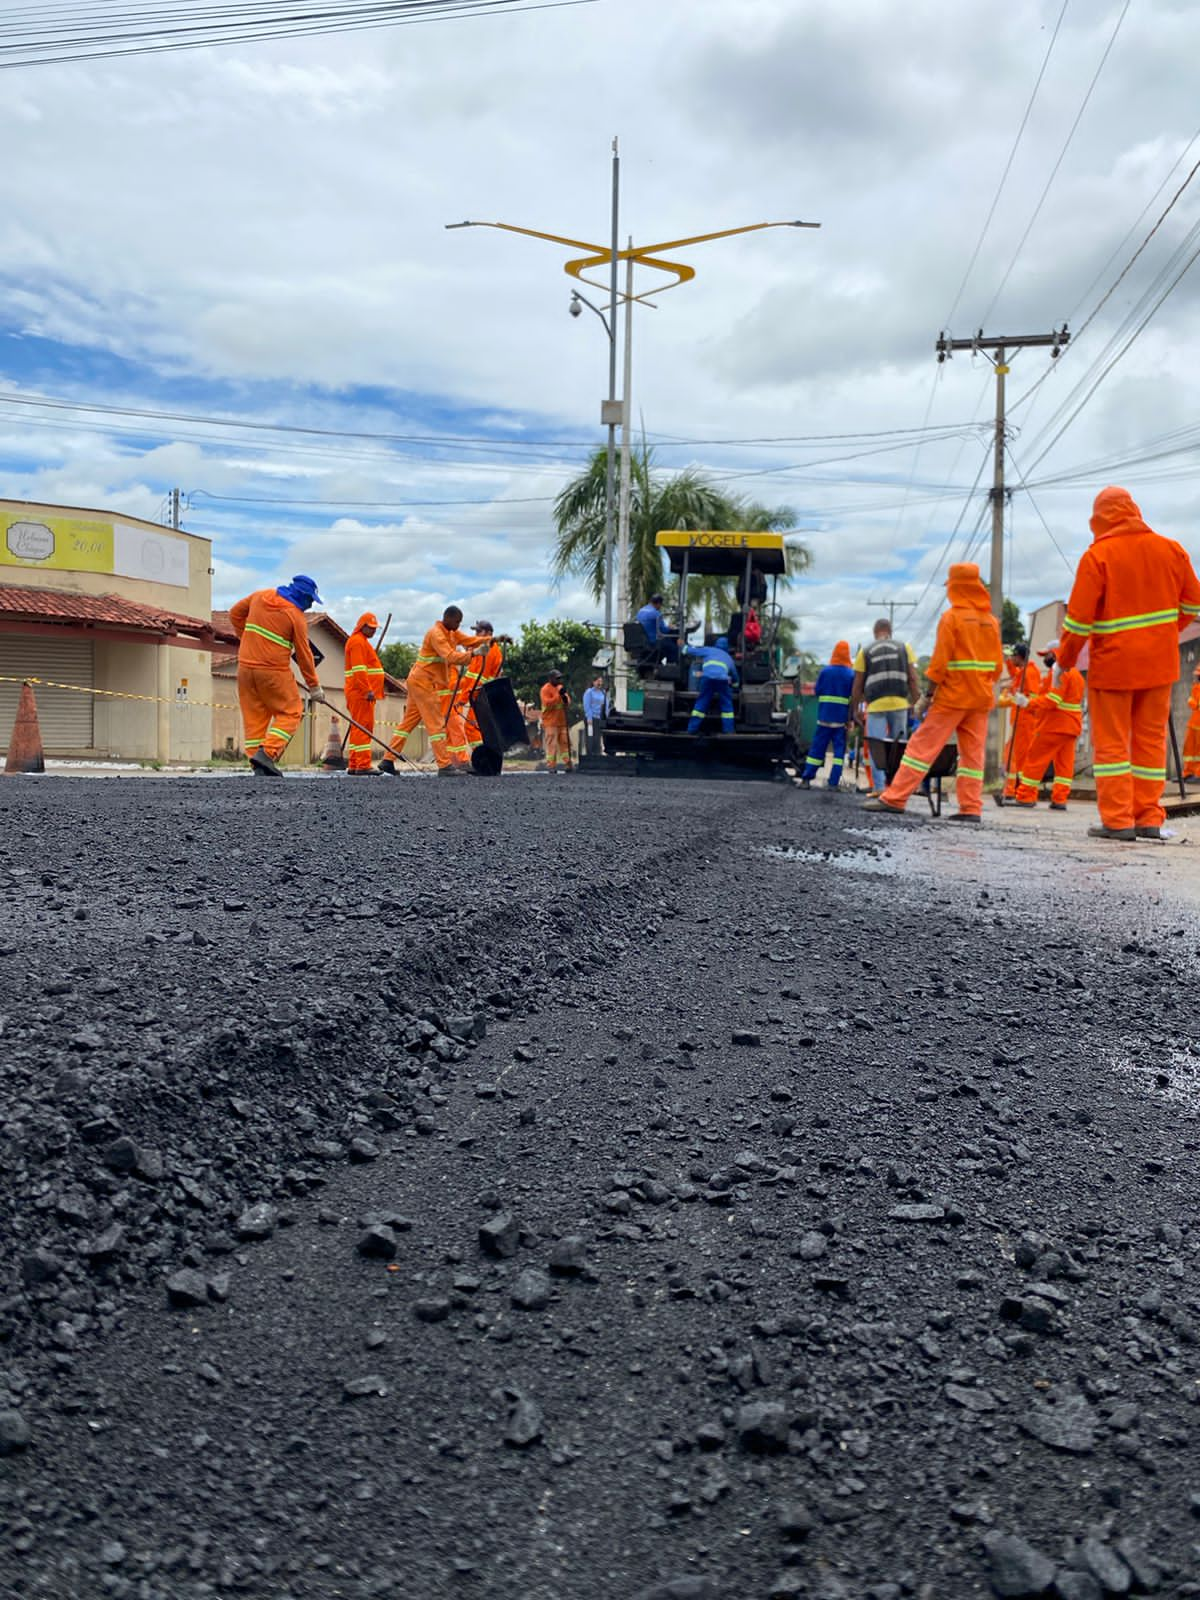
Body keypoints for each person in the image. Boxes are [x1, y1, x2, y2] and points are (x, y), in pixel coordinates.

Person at [1057, 485, 1200, 841]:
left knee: (1113, 746)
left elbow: (1076, 623)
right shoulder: (1172, 550)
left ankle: (1119, 821)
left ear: (1098, 518)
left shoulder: (1098, 556)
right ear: (1134, 511)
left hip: (1113, 666)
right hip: (1159, 665)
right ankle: (1149, 818)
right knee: (1150, 745)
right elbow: (1194, 606)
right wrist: (1165, 634)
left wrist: (1066, 660)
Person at [862, 562, 1003, 824]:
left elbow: (939, 664)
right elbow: (997, 667)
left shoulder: (952, 618)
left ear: (955, 588)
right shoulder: (991, 622)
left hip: (953, 697)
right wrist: (981, 685)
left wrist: (927, 696)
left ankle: (895, 798)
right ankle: (971, 807)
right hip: (980, 698)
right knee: (973, 754)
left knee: (922, 746)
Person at [229, 574, 326, 777]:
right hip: (273, 672)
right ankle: (268, 753)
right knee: (291, 712)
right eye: (309, 600)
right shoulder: (295, 616)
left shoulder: (259, 596)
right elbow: (304, 654)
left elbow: (235, 614)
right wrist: (314, 686)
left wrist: (246, 639)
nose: (309, 606)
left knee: (255, 717)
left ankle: (257, 765)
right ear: (302, 596)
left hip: (245, 669)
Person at [379, 606, 489, 777]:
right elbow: (451, 657)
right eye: (457, 621)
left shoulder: (451, 633)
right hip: (424, 682)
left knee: (406, 724)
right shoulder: (436, 634)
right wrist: (474, 654)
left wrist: (492, 639)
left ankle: (387, 760)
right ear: (448, 618)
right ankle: (444, 765)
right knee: (436, 723)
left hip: (417, 680)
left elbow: (468, 640)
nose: (459, 625)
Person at [851, 618, 920, 793]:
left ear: (875, 633)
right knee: (899, 748)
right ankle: (896, 788)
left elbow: (857, 684)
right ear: (890, 632)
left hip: (875, 706)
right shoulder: (904, 648)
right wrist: (918, 702)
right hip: (899, 704)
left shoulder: (865, 651)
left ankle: (880, 788)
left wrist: (855, 710)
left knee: (877, 748)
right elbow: (912, 677)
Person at [1011, 658, 1086, 811]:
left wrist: (1028, 703)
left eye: (1048, 654)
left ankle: (1026, 796)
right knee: (1064, 765)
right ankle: (1060, 799)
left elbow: (1053, 700)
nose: (1045, 658)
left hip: (1054, 725)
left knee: (1035, 759)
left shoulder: (1060, 672)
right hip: (1071, 726)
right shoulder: (1076, 674)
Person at [800, 641, 855, 789]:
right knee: (838, 753)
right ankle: (833, 783)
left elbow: (817, 691)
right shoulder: (851, 674)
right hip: (841, 719)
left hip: (824, 716)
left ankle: (806, 779)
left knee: (817, 748)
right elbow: (853, 697)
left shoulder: (825, 671)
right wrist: (851, 719)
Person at [996, 642, 1043, 805]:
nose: (1011, 658)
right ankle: (1011, 792)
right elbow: (1015, 673)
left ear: (1020, 657)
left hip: (1026, 721)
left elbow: (1035, 698)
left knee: (1021, 760)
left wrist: (1020, 700)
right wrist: (1006, 660)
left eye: (1013, 656)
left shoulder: (1030, 673)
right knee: (1010, 756)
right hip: (1019, 721)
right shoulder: (1023, 671)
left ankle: (1024, 795)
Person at [343, 611, 385, 776]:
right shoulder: (358, 642)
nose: (374, 631)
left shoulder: (360, 642)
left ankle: (355, 764)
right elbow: (359, 669)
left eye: (376, 628)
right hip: (361, 693)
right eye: (372, 628)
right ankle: (363, 765)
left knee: (358, 728)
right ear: (363, 626)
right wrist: (367, 690)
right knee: (363, 728)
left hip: (360, 692)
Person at [455, 620, 505, 754]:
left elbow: (475, 678)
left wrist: (463, 699)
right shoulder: (493, 649)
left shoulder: (486, 651)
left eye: (478, 631)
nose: (475, 634)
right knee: (482, 728)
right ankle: (488, 755)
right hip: (485, 695)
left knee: (471, 728)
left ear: (488, 633)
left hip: (479, 695)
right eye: (475, 631)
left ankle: (484, 757)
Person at [685, 637, 739, 735]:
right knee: (727, 705)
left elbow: (694, 651)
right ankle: (729, 731)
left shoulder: (709, 650)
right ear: (727, 647)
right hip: (723, 680)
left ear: (716, 644)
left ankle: (692, 730)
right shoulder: (728, 657)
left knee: (701, 703)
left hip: (707, 678)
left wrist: (684, 648)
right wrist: (735, 686)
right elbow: (734, 675)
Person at [540, 669, 572, 773]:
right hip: (550, 722)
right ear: (550, 679)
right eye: (557, 678)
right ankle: (551, 766)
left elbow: (567, 702)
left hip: (562, 722)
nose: (559, 680)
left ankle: (568, 764)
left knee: (565, 743)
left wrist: (564, 696)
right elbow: (547, 703)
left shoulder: (560, 688)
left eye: (560, 678)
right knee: (552, 744)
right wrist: (558, 695)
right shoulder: (545, 689)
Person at [636, 594, 681, 663]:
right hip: (653, 641)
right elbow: (664, 630)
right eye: (660, 605)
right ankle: (671, 667)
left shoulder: (640, 611)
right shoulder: (656, 613)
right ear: (658, 604)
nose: (660, 607)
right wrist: (670, 627)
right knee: (674, 648)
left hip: (642, 641)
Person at [582, 675, 610, 757]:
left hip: (600, 718)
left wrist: (606, 716)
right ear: (593, 682)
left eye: (601, 681)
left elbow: (606, 705)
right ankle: (590, 754)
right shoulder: (589, 692)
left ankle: (597, 754)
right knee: (591, 737)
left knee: (598, 738)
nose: (599, 683)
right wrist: (589, 717)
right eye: (598, 681)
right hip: (591, 718)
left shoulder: (603, 693)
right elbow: (587, 705)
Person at [1184, 665, 1200, 782]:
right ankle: (1188, 773)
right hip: (1193, 723)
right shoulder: (1196, 688)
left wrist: (1195, 704)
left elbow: (1194, 703)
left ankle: (1198, 774)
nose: (1196, 677)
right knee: (1190, 750)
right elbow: (1191, 702)